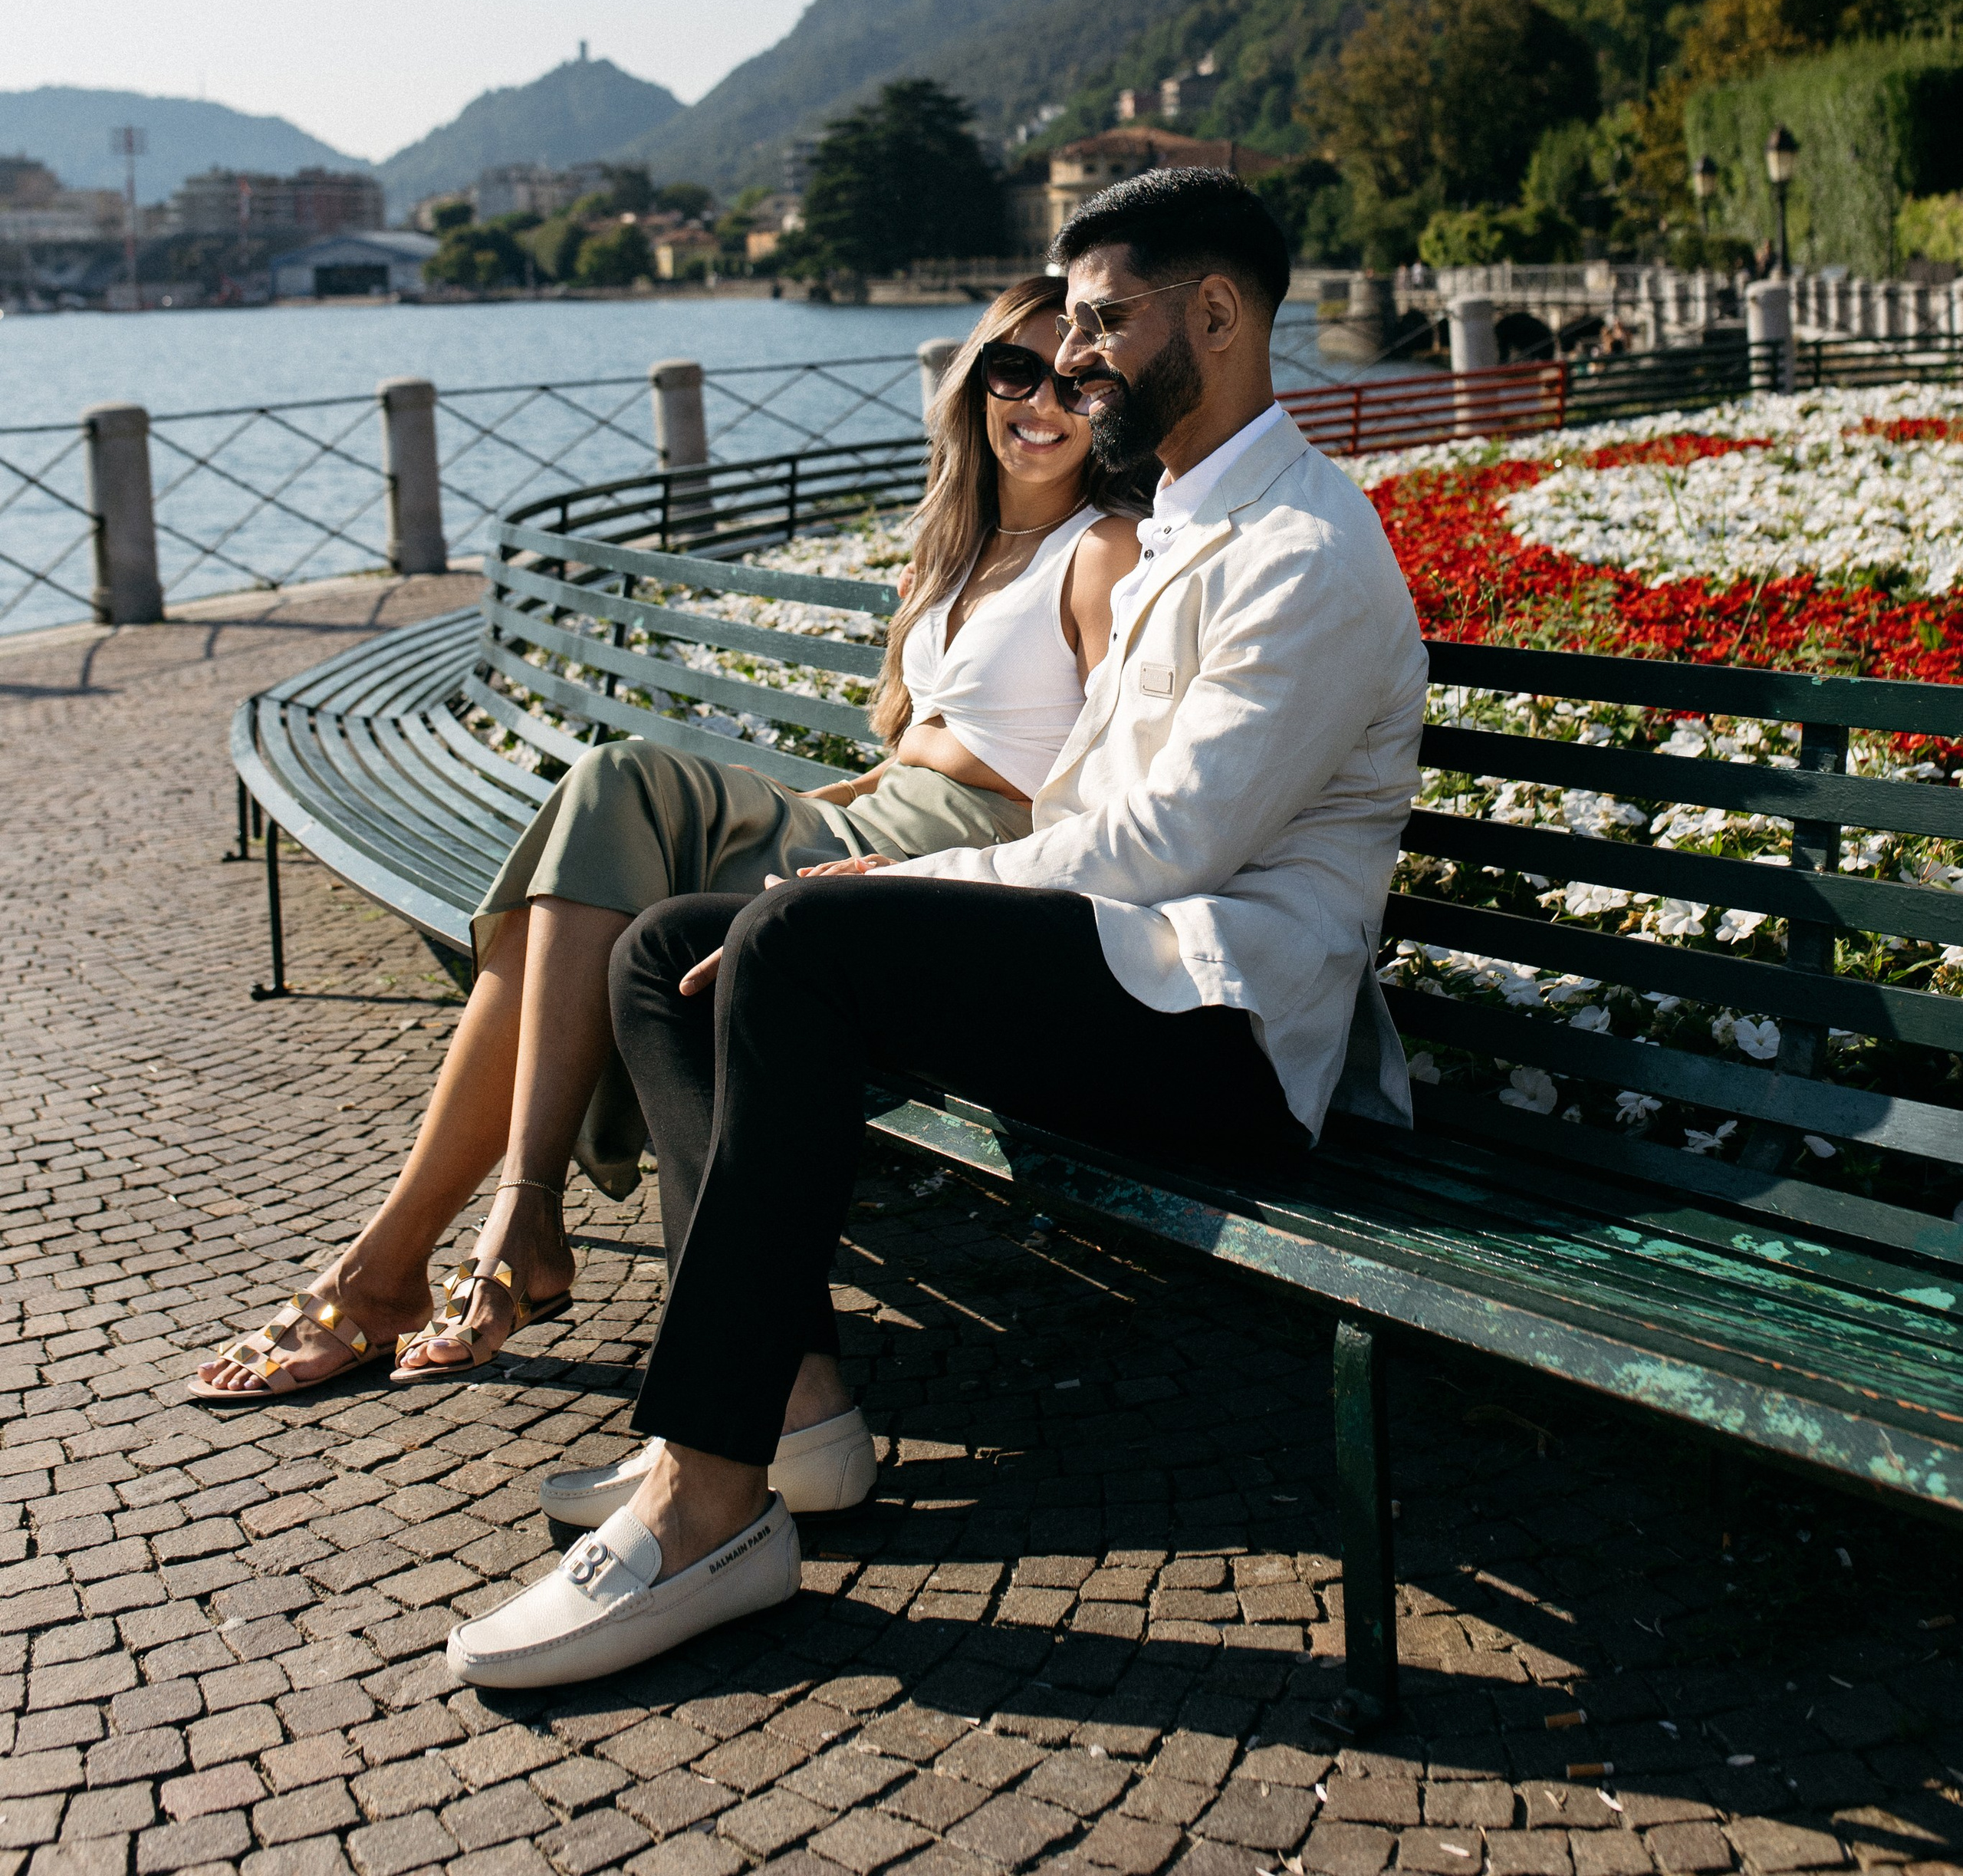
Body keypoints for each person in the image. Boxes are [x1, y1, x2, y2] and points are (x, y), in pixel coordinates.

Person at [449, 165, 1428, 1690]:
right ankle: (788, 1412)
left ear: (1219, 317)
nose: (1076, 359)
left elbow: (1168, 851)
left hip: (1226, 1030)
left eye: (1101, 322)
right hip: (1121, 976)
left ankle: (703, 1501)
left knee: (791, 941)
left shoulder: (1302, 552)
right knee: (664, 957)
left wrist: (894, 889)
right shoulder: (1184, 520)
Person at [189, 274, 1145, 1407]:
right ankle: (460, 1241)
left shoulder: (1103, 551)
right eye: (1012, 370)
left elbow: (1099, 794)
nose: (1040, 402)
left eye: (1075, 381)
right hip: (861, 821)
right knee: (592, 859)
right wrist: (845, 792)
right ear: (975, 384)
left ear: (1109, 402)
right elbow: (924, 744)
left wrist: (913, 866)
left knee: (606, 815)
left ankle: (430, 1252)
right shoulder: (960, 547)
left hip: (942, 867)